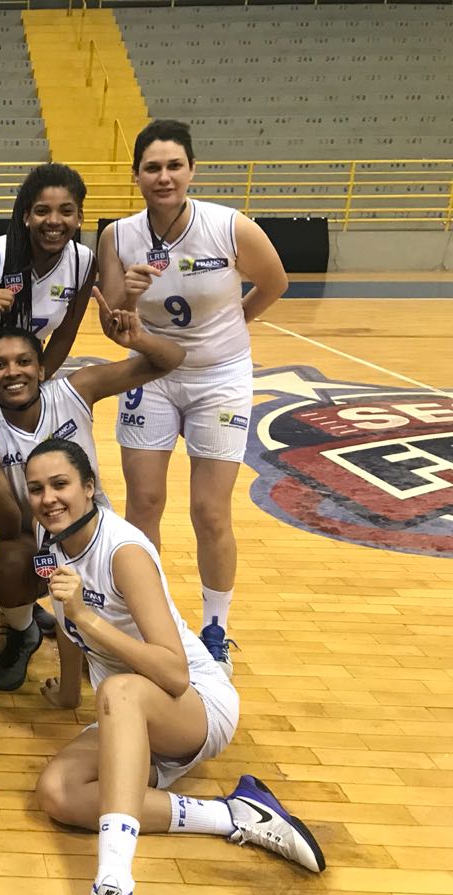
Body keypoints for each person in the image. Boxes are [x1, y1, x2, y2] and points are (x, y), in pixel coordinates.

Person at [23, 439, 324, 895]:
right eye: (36, 488)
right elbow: (73, 633)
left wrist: (89, 618)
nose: (48, 498)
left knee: (118, 689)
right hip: (130, 713)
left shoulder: (125, 551)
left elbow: (175, 672)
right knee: (59, 794)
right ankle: (237, 816)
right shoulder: (53, 542)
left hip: (195, 706)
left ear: (90, 488)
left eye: (60, 484)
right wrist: (68, 692)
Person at [97, 120, 288, 674]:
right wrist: (125, 300)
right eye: (152, 167)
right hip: (150, 374)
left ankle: (215, 627)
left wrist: (234, 324)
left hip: (219, 378)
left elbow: (274, 282)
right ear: (136, 175)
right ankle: (145, 619)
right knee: (145, 504)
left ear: (191, 170)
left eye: (173, 165)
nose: (164, 177)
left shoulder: (229, 226)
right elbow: (114, 323)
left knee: (209, 510)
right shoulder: (119, 235)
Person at [0, 293, 186, 692]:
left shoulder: (76, 389)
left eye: (23, 361)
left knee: (121, 649)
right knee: (7, 555)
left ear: (42, 367)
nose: (13, 372)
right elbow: (10, 524)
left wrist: (136, 340)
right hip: (37, 545)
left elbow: (170, 360)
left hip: (94, 538)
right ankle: (23, 631)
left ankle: (94, 630)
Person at [0, 163, 96, 421]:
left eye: (66, 211)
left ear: (79, 216)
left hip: (20, 377)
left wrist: (36, 381)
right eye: (42, 211)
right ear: (27, 216)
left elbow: (63, 336)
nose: (54, 221)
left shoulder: (84, 262)